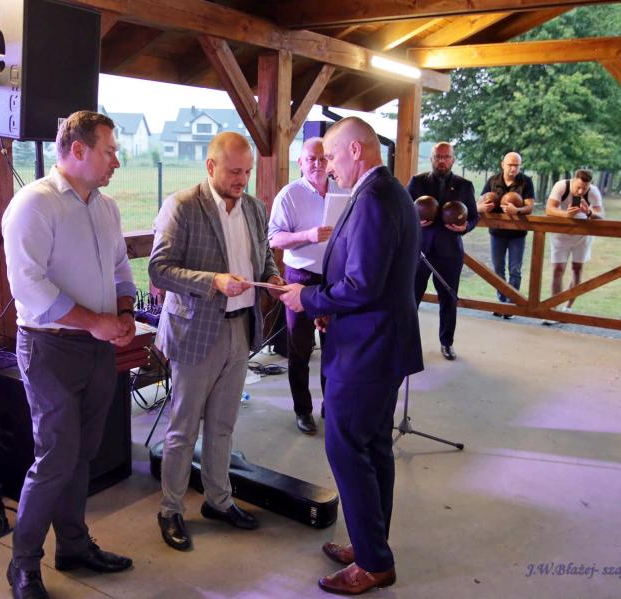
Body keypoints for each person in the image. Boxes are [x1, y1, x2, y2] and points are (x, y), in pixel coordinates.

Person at [279, 117, 423, 595]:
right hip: (375, 339)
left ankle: (374, 562)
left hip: (368, 349)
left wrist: (310, 299)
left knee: (346, 447)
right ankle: (369, 544)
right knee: (374, 446)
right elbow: (369, 278)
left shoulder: (375, 198)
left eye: (334, 157)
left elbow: (362, 284)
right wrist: (330, 308)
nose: (329, 167)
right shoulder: (388, 191)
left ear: (357, 151)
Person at [1, 111, 136, 599]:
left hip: (98, 347)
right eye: (109, 151)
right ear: (78, 150)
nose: (116, 161)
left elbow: (120, 267)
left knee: (82, 454)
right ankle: (22, 565)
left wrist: (124, 311)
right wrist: (96, 321)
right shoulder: (33, 204)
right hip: (49, 348)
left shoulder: (106, 207)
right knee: (55, 458)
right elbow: (29, 287)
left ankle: (74, 546)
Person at [149, 131, 282, 552]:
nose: (242, 179)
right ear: (211, 166)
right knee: (183, 429)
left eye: (248, 171)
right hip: (195, 333)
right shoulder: (183, 206)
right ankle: (170, 509)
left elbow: (264, 255)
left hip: (240, 329)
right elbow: (159, 269)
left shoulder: (255, 208)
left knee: (223, 425)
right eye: (234, 171)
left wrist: (272, 276)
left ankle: (218, 500)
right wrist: (213, 282)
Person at [268, 137, 343, 434]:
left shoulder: (342, 189)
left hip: (335, 278)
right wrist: (307, 236)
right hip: (300, 277)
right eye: (311, 159)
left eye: (323, 158)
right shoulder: (289, 195)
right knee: (299, 348)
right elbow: (274, 238)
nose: (318, 164)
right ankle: (303, 410)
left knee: (333, 347)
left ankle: (331, 406)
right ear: (300, 162)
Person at [406, 142, 478, 360]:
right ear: (432, 159)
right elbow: (404, 211)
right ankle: (405, 343)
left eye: (446, 157)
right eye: (438, 156)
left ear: (453, 160)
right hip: (420, 252)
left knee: (448, 299)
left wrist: (465, 227)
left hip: (450, 253)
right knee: (411, 298)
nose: (442, 161)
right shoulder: (417, 182)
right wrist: (414, 222)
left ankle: (447, 343)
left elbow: (474, 216)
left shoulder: (465, 185)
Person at [477, 151, 535, 317]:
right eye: (510, 165)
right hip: (497, 232)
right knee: (498, 269)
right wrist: (482, 207)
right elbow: (480, 201)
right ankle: (502, 303)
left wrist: (517, 210)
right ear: (503, 164)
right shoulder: (493, 180)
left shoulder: (526, 181)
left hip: (517, 234)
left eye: (517, 165)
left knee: (515, 270)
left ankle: (511, 305)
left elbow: (530, 207)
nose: (513, 168)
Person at [544, 169, 605, 319]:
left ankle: (568, 307)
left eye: (584, 188)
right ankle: (554, 307)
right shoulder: (561, 186)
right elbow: (549, 209)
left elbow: (601, 215)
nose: (580, 191)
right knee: (558, 269)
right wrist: (566, 214)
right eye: (578, 187)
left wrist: (589, 212)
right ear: (573, 180)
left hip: (583, 236)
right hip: (560, 235)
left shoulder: (593, 192)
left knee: (577, 269)